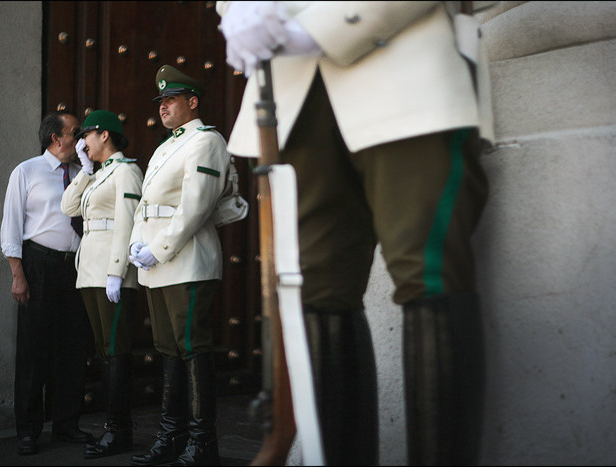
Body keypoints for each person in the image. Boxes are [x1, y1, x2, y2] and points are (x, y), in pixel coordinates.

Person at [218, 1, 495, 465]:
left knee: (427, 274)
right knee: (316, 290)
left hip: (405, 62)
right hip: (290, 89)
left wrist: (320, 26)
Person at [128, 65, 230, 466]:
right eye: (161, 101)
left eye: (170, 100)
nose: (163, 107)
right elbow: (147, 204)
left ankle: (203, 442)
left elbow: (195, 205)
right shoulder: (166, 146)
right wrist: (138, 242)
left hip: (187, 262)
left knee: (192, 348)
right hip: (158, 264)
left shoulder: (206, 141)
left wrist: (160, 247)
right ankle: (172, 436)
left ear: (192, 102)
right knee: (169, 349)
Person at [0, 110, 93, 456]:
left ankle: (67, 424)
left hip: (75, 269)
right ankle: (28, 430)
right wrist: (18, 275)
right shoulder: (26, 171)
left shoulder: (83, 172)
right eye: (75, 133)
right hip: (38, 265)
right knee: (33, 350)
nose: (81, 139)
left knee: (73, 348)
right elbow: (10, 226)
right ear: (56, 139)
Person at [60, 110, 144, 459]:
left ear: (104, 136)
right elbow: (68, 208)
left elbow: (126, 223)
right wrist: (85, 171)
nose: (82, 143)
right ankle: (114, 429)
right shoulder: (98, 174)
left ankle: (119, 431)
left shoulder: (126, 171)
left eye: (87, 136)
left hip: (111, 274)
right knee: (106, 352)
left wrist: (116, 270)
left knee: (116, 352)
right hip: (90, 273)